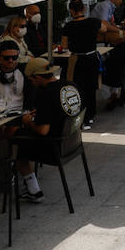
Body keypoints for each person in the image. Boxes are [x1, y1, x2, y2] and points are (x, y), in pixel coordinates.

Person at [8, 57, 77, 202]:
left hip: (55, 146)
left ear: (37, 77)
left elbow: (42, 131)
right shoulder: (69, 85)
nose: (31, 83)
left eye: (31, 80)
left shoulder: (45, 94)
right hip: (73, 141)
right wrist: (39, 114)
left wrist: (28, 121)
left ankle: (33, 190)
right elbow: (60, 111)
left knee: (12, 134)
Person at [61, 0, 103, 130]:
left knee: (77, 87)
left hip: (77, 60)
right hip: (92, 57)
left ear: (71, 11)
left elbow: (64, 45)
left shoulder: (68, 26)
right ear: (84, 9)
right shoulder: (94, 22)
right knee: (91, 87)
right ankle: (90, 115)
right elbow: (105, 29)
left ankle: (79, 114)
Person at [0, 40, 26, 112]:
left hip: (21, 113)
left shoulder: (25, 72)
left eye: (14, 57)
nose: (11, 60)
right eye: (7, 58)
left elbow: (30, 100)